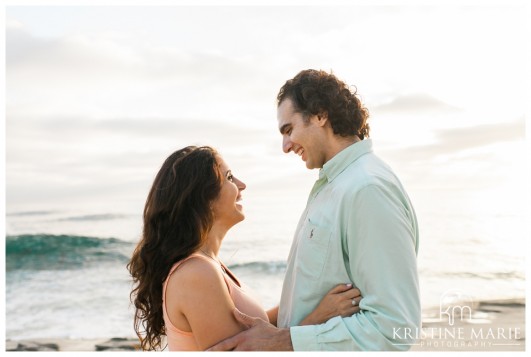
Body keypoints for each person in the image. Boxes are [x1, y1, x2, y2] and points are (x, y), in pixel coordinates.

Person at [209, 69, 421, 351]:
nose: (285, 146)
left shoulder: (367, 189)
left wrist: (283, 341)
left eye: (288, 130)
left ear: (320, 115)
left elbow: (395, 327)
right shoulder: (335, 185)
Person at [127, 145, 363, 351]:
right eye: (229, 177)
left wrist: (316, 295)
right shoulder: (195, 273)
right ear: (201, 197)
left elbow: (255, 329)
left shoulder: (209, 265)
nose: (242, 185)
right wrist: (317, 318)